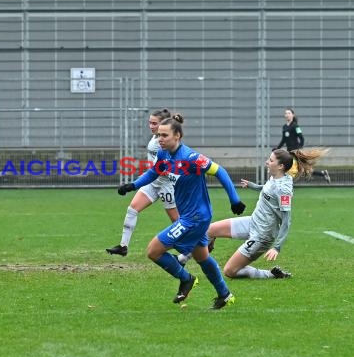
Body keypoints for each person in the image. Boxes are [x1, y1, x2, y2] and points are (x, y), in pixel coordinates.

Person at [117, 114, 246, 309]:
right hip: (191, 216)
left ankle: (186, 279)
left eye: (164, 135)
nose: (160, 139)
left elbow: (220, 171)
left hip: (195, 218)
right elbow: (154, 172)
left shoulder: (192, 158)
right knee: (202, 257)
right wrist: (132, 185)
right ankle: (225, 294)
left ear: (177, 136)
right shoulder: (164, 154)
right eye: (159, 135)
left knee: (153, 251)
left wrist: (234, 200)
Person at [201, 148, 329, 280]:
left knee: (229, 271)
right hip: (253, 222)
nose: (267, 162)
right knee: (210, 230)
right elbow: (267, 187)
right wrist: (253, 186)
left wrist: (277, 247)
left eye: (271, 160)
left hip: (262, 235)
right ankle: (182, 260)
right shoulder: (276, 177)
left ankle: (271, 274)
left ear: (280, 166)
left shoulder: (283, 189)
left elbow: (286, 220)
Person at [106, 108, 179, 257]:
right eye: (150, 123)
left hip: (166, 186)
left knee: (178, 223)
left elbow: (173, 162)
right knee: (132, 209)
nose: (151, 126)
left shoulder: (165, 142)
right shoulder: (155, 138)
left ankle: (200, 244)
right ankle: (123, 246)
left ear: (163, 124)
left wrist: (168, 171)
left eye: (154, 123)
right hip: (153, 183)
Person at [274, 108, 330, 183]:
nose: (287, 115)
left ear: (293, 115)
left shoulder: (295, 126)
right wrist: (277, 148)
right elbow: (283, 140)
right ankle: (322, 173)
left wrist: (299, 149)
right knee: (303, 169)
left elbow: (302, 138)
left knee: (295, 168)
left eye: (289, 113)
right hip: (289, 152)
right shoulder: (284, 127)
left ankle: (286, 183)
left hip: (295, 152)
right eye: (286, 113)